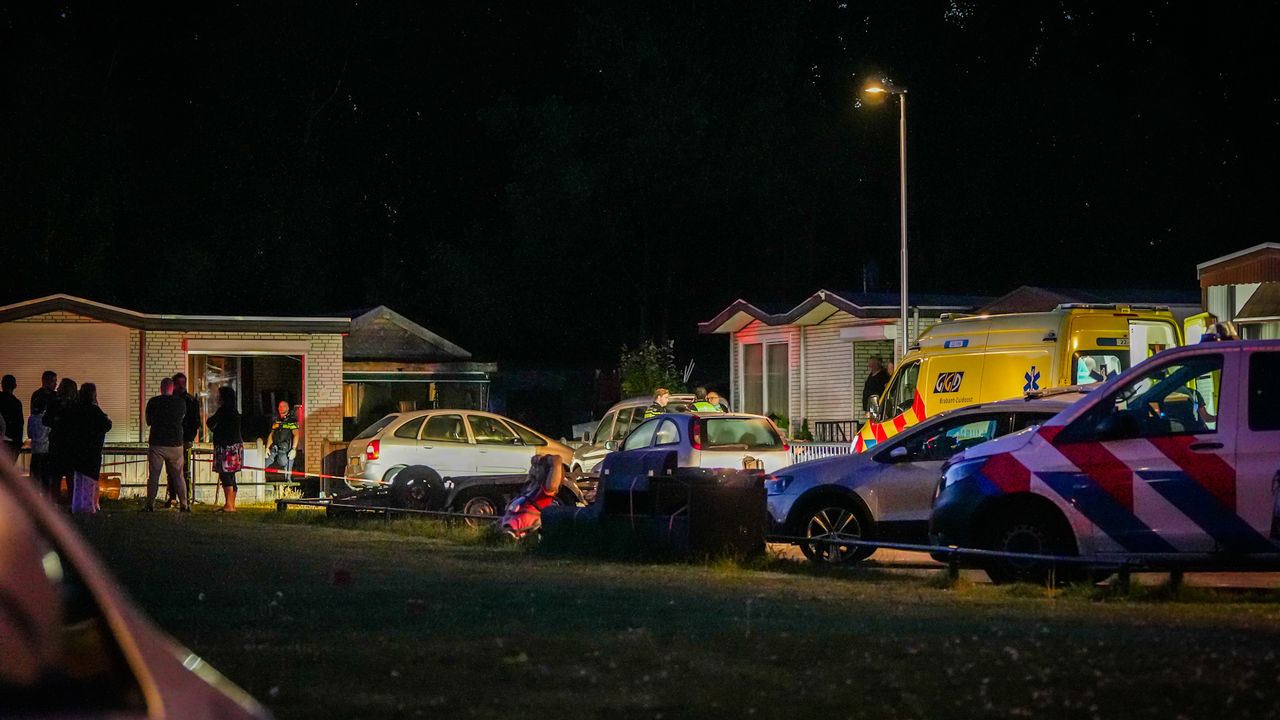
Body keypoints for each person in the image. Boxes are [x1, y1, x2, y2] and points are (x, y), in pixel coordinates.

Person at [63, 383, 112, 515]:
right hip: (91, 452)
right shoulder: (94, 410)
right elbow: (107, 425)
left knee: (78, 480)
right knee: (90, 481)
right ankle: (89, 508)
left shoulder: (75, 409)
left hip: (77, 451)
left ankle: (76, 507)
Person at [144, 377, 188, 512]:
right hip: (176, 443)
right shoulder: (181, 403)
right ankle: (184, 504)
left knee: (154, 475)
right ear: (172, 388)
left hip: (157, 443)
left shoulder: (153, 402)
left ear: (161, 388)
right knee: (178, 475)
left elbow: (149, 421)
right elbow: (182, 418)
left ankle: (150, 504)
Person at [206, 386, 243, 512]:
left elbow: (210, 422)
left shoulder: (223, 411)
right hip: (235, 446)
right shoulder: (234, 411)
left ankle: (228, 504)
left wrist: (215, 430)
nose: (217, 398)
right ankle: (231, 504)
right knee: (231, 476)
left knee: (225, 475)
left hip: (226, 447)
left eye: (219, 396)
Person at [44, 378, 79, 502]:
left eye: (60, 387)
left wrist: (57, 421)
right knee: (65, 476)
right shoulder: (73, 405)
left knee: (58, 476)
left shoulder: (68, 405)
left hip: (60, 445)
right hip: (66, 446)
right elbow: (46, 420)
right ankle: (70, 503)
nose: (57, 389)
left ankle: (60, 503)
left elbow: (46, 420)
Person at [172, 373, 201, 504]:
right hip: (172, 439)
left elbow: (196, 421)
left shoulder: (190, 401)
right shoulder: (170, 400)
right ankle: (172, 496)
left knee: (186, 470)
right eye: (178, 383)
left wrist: (190, 438)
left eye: (183, 383)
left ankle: (187, 498)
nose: (181, 386)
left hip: (185, 438)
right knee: (172, 469)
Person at [263, 401, 299, 480]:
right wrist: (267, 448)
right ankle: (260, 477)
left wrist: (294, 449)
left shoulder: (291, 420)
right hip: (275, 447)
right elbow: (271, 434)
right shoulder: (276, 420)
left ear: (288, 408)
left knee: (286, 462)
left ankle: (288, 481)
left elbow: (296, 434)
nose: (281, 408)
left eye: (284, 406)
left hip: (286, 449)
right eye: (280, 406)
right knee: (263, 463)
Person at [27, 396, 52, 498]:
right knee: (46, 478)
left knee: (35, 478)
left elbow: (29, 434)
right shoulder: (46, 419)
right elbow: (50, 433)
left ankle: (34, 499)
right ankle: (46, 500)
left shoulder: (31, 419)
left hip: (35, 451)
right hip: (46, 451)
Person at [0, 374, 22, 459]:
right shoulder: (16, 403)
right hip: (11, 442)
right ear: (15, 386)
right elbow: (19, 424)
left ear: (2, 385)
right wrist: (18, 444)